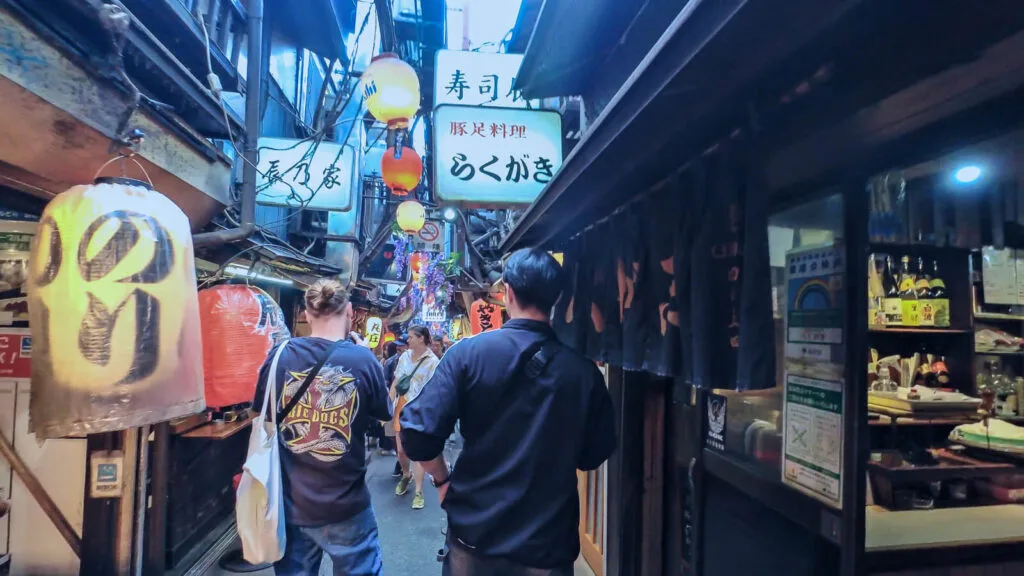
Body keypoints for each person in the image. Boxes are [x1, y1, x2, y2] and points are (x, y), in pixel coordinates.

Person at [400, 248, 617, 576]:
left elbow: (417, 434)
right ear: (556, 298)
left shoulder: (467, 355)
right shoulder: (583, 372)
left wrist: (442, 480)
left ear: (508, 293)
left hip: (475, 538)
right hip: (547, 544)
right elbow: (593, 454)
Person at [253, 278, 392, 576]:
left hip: (292, 505)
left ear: (306, 311)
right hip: (347, 505)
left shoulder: (278, 357)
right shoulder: (363, 359)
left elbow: (262, 420)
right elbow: (384, 415)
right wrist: (367, 357)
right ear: (351, 312)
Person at [391, 325, 440, 510]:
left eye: (411, 337)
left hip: (420, 409)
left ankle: (419, 491)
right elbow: (396, 381)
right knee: (402, 451)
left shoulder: (432, 361)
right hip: (401, 406)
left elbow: (434, 390)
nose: (408, 340)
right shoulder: (404, 357)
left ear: (421, 338)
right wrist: (389, 402)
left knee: (417, 452)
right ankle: (406, 475)